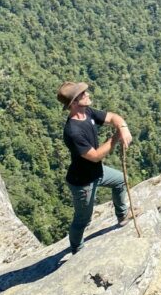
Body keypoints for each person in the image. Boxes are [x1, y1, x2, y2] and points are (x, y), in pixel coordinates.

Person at [56, 81, 133, 254]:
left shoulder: (87, 112)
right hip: (83, 182)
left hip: (97, 171)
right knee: (83, 219)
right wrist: (116, 138)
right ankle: (77, 248)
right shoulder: (73, 131)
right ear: (74, 103)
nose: (87, 94)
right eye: (83, 94)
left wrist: (123, 128)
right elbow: (95, 156)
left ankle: (122, 216)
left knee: (120, 180)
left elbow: (113, 117)